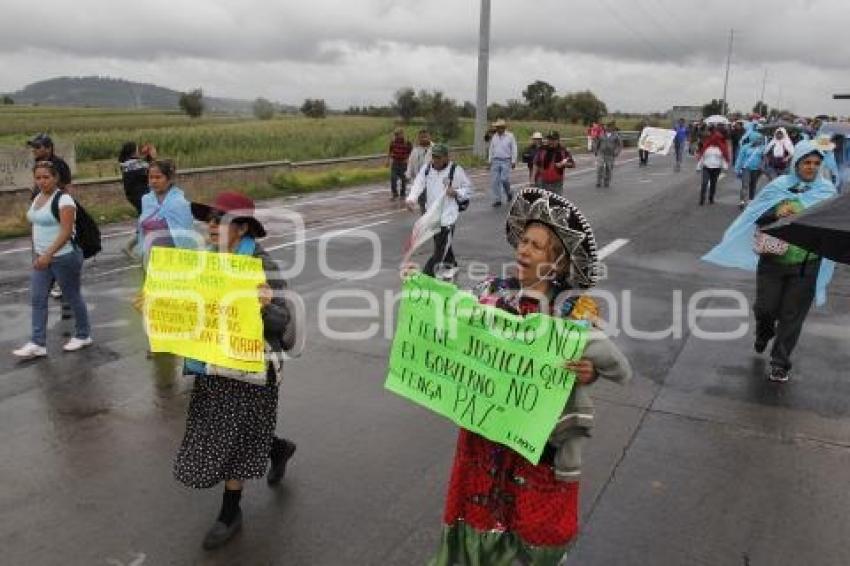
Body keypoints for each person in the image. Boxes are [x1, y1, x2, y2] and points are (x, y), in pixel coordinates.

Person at [427, 188, 632, 566]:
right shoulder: (492, 290)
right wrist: (421, 294)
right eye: (523, 240)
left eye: (536, 246)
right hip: (487, 429)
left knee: (533, 519)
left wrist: (588, 373)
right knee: (484, 507)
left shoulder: (573, 308)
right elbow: (454, 322)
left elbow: (602, 362)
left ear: (556, 263)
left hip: (539, 438)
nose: (523, 249)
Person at [165, 191, 298, 550]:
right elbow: (188, 308)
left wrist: (265, 306)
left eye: (218, 220)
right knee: (227, 431)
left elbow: (283, 322)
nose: (209, 226)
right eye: (208, 219)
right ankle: (276, 447)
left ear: (240, 228)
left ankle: (230, 513)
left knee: (235, 438)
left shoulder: (260, 263)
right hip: (213, 363)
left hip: (251, 368)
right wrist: (156, 304)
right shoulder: (205, 261)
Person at [703, 141, 837, 383]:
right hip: (773, 261)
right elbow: (756, 217)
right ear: (796, 162)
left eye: (816, 163)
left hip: (807, 264)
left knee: (792, 316)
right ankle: (764, 331)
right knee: (766, 309)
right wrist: (777, 214)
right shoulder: (778, 188)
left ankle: (780, 363)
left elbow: (834, 226)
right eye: (806, 162)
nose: (811, 167)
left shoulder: (826, 192)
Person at [12, 161, 92, 359]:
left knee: (72, 296)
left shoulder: (64, 200)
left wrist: (48, 254)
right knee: (38, 299)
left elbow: (66, 232)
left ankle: (83, 335)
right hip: (43, 258)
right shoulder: (38, 197)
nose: (41, 181)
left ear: (56, 178)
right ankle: (38, 343)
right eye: (38, 177)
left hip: (64, 257)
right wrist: (38, 253)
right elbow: (35, 224)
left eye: (46, 177)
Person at [405, 144, 473, 278]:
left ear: (446, 157)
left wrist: (456, 192)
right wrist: (411, 198)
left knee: (440, 250)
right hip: (433, 215)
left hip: (448, 216)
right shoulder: (427, 169)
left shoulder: (455, 170)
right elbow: (418, 184)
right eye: (433, 156)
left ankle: (426, 276)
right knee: (441, 243)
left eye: (438, 157)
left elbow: (468, 189)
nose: (435, 160)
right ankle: (452, 265)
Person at [137, 159, 196, 265]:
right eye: (151, 177)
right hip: (151, 260)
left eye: (158, 177)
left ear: (170, 179)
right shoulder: (146, 200)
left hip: (174, 261)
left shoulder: (179, 203)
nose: (154, 181)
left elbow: (186, 238)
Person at [119, 141, 156, 258]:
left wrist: (147, 157)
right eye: (136, 149)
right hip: (141, 196)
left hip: (134, 196)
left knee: (146, 220)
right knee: (149, 220)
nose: (138, 150)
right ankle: (141, 247)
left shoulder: (126, 164)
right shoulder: (137, 164)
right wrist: (152, 156)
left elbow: (143, 166)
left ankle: (131, 245)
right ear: (132, 151)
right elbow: (154, 170)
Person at [696, 127, 730, 205]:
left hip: (716, 168)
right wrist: (698, 167)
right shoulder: (707, 147)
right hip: (706, 167)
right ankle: (702, 199)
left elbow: (724, 158)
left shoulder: (721, 148)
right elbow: (702, 157)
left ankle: (711, 197)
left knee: (713, 183)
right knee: (704, 183)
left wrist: (725, 167)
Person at [487, 119, 517, 207]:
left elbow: (514, 148)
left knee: (504, 179)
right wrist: (489, 161)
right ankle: (497, 199)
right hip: (496, 160)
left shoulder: (510, 136)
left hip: (506, 160)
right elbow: (491, 149)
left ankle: (509, 192)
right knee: (495, 181)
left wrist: (513, 161)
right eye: (497, 127)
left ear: (504, 128)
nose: (498, 129)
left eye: (500, 127)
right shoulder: (494, 136)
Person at [734, 132, 765, 208]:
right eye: (758, 139)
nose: (760, 140)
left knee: (753, 185)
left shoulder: (762, 147)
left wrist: (763, 165)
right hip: (746, 168)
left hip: (757, 169)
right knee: (745, 184)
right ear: (753, 138)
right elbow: (740, 158)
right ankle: (742, 201)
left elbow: (764, 159)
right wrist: (737, 168)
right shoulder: (745, 147)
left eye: (761, 139)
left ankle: (751, 200)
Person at [406, 129, 433, 214]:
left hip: (433, 180)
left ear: (429, 137)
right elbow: (410, 163)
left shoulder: (435, 149)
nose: (423, 139)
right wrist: (408, 175)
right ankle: (425, 218)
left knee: (431, 202)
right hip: (420, 180)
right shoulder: (415, 150)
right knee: (422, 202)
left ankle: (431, 220)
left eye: (425, 137)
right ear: (418, 138)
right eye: (421, 137)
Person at [387, 128, 413, 201]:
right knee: (393, 178)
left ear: (402, 134)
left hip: (403, 163)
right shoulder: (393, 142)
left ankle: (403, 193)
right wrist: (388, 161)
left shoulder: (407, 143)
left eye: (398, 134)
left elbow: (412, 153)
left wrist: (408, 160)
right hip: (395, 163)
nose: (397, 136)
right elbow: (390, 151)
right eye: (396, 135)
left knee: (403, 179)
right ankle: (394, 194)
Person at [594, 122, 622, 188]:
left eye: (609, 127)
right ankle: (598, 181)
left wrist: (616, 152)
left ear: (612, 128)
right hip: (601, 153)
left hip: (610, 154)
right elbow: (597, 143)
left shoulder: (616, 136)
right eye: (606, 126)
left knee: (608, 168)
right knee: (600, 166)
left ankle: (606, 182)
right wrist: (595, 150)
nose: (607, 128)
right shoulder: (601, 134)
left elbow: (619, 145)